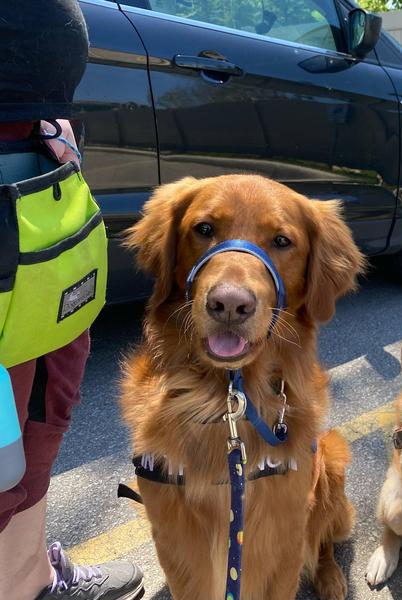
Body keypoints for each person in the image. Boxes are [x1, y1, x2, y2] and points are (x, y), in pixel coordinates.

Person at [0, 2, 145, 599]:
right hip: (13, 231)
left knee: (34, 418)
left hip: (34, 184)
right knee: (12, 438)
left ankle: (30, 576)